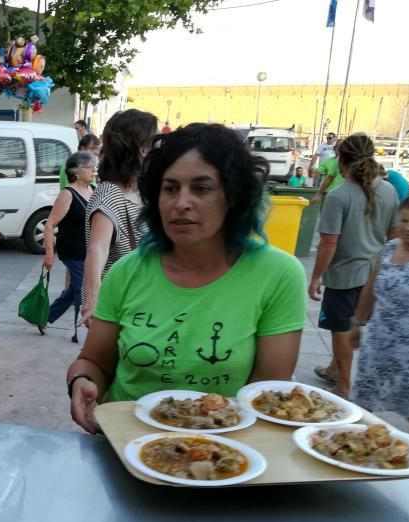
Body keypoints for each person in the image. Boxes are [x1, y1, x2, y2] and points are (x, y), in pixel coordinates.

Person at [66, 123, 306, 432]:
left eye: (202, 188)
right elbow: (95, 362)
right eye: (170, 188)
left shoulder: (278, 275)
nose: (181, 203)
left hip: (226, 451)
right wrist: (81, 381)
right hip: (123, 443)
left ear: (233, 196)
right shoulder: (127, 271)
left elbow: (267, 391)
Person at [310, 133, 401, 398]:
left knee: (341, 329)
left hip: (343, 275)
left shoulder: (339, 195)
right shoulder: (388, 190)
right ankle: (333, 369)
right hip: (375, 273)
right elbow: (394, 236)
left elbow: (329, 243)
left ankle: (344, 387)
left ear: (342, 161)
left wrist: (316, 277)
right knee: (354, 325)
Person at [351, 195, 409, 444]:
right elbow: (370, 288)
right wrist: (357, 322)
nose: (408, 227)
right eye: (404, 221)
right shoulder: (390, 248)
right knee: (362, 403)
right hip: (379, 342)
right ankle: (356, 448)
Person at [79, 109, 158, 326]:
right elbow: (98, 248)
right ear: (137, 148)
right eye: (151, 143)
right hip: (117, 305)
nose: (155, 150)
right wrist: (93, 300)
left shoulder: (140, 190)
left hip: (140, 300)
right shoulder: (110, 194)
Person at [42, 151, 97, 341]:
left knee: (74, 289)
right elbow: (50, 224)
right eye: (89, 167)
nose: (94, 170)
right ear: (76, 171)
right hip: (72, 250)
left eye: (94, 166)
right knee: (82, 289)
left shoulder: (92, 191)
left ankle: (45, 317)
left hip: (89, 250)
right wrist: (49, 254)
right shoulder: (67, 194)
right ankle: (80, 334)